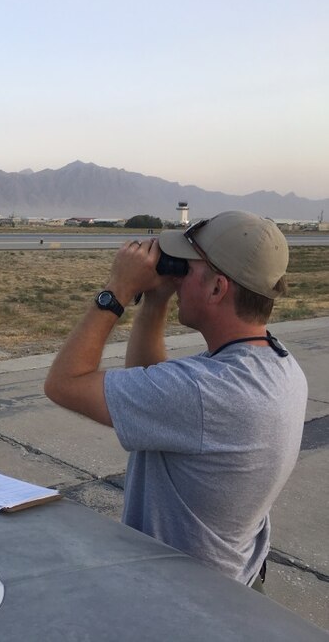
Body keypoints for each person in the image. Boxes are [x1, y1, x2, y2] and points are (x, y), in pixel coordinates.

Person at [44, 210, 307, 591]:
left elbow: (63, 383)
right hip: (234, 586)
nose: (176, 276)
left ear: (217, 288)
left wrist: (116, 291)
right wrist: (155, 302)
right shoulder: (275, 364)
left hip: (183, 601)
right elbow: (151, 386)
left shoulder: (206, 392)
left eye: (186, 268)